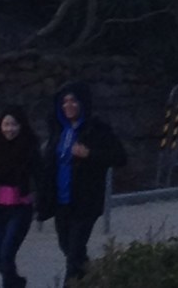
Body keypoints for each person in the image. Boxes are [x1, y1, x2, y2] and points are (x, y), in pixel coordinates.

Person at [38, 81, 127, 283]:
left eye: (73, 101)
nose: (68, 105)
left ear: (82, 103)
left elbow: (120, 157)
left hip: (85, 200)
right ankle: (95, 278)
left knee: (74, 253)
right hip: (61, 200)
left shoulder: (97, 129)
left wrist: (90, 155)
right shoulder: (58, 130)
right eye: (64, 101)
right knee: (68, 248)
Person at [0, 105, 41, 288]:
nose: (9, 129)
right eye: (6, 124)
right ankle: (17, 282)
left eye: (14, 124)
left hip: (20, 207)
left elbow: (40, 175)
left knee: (7, 255)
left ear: (21, 125)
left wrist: (40, 199)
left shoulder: (30, 147)